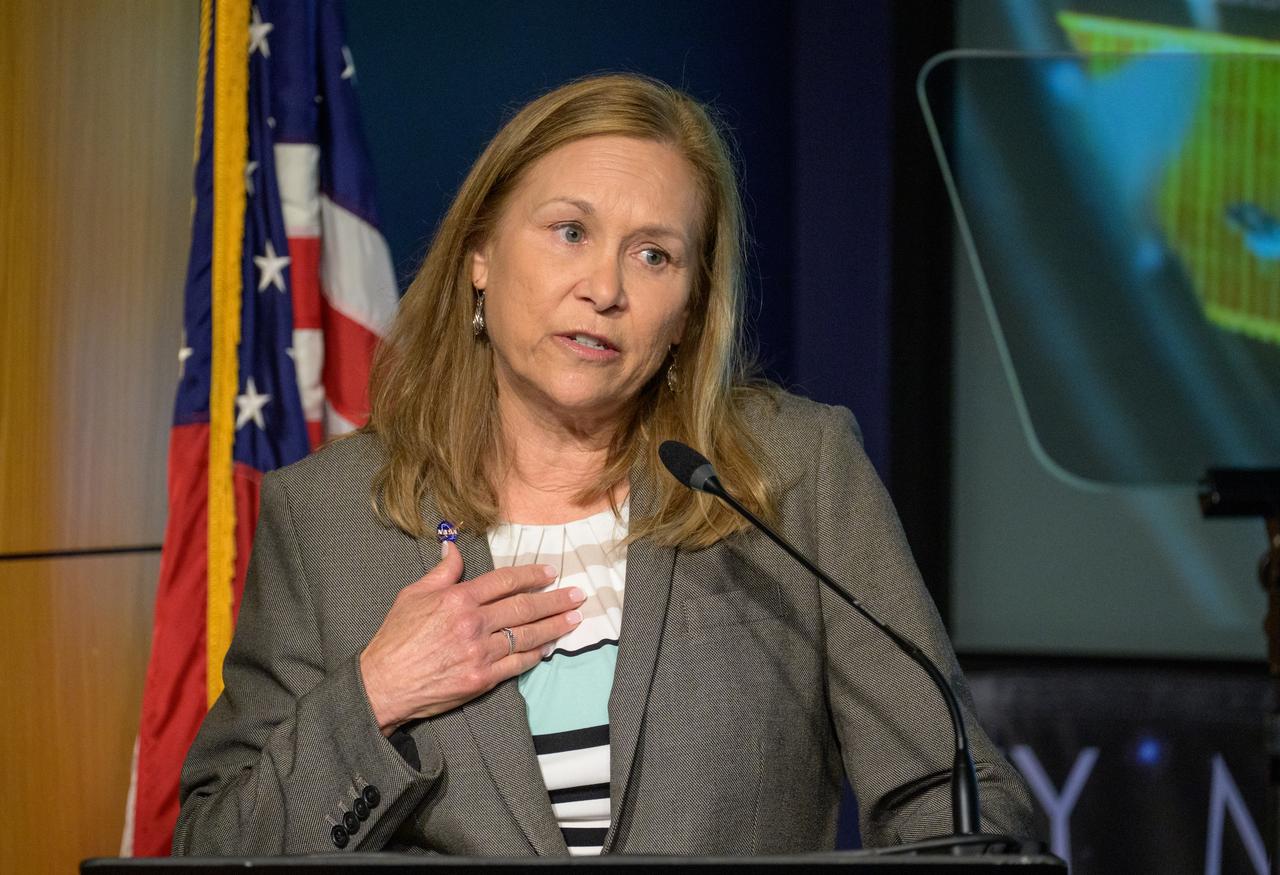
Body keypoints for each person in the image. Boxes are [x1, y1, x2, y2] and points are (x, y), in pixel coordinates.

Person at [173, 72, 1036, 857]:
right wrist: (377, 690)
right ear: (480, 254)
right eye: (570, 231)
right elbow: (214, 846)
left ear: (689, 309)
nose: (605, 288)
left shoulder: (791, 474)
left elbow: (951, 792)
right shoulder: (328, 516)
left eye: (654, 254)